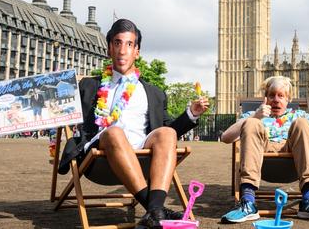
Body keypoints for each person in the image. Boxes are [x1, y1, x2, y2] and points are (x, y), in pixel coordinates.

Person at [54, 19, 210, 229]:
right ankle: (156, 209)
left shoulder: (154, 92)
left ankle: (153, 213)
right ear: (110, 48)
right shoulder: (88, 85)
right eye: (117, 43)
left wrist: (192, 113)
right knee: (114, 132)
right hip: (98, 159)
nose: (122, 50)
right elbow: (51, 105)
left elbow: (171, 131)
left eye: (129, 44)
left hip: (143, 160)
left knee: (165, 134)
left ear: (137, 51)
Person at [220, 76, 309, 223]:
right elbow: (226, 137)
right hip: (262, 163)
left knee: (301, 123)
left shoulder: (300, 115)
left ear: (288, 99)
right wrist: (256, 116)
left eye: (281, 96)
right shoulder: (253, 115)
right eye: (271, 95)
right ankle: (248, 203)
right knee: (251, 124)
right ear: (265, 97)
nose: (275, 99)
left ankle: (308, 201)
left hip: (294, 164)